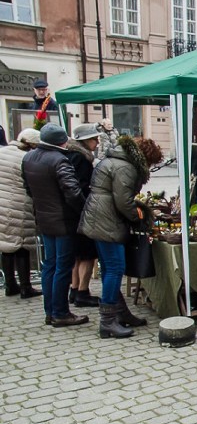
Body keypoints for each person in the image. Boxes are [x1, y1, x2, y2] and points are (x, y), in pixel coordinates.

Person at [79, 135, 160, 338]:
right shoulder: (126, 167)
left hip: (99, 218)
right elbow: (124, 201)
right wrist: (138, 217)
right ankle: (108, 321)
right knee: (115, 268)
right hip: (106, 221)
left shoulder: (115, 160)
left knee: (109, 268)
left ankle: (120, 313)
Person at [21, 123, 88, 327]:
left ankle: (50, 310)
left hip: (43, 218)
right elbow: (73, 192)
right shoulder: (60, 160)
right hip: (63, 220)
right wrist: (83, 211)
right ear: (62, 142)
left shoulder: (29, 157)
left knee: (49, 265)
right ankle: (60, 312)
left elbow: (28, 188)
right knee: (63, 266)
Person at [0, 128, 42, 299]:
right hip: (19, 204)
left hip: (1, 204)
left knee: (6, 245)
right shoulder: (26, 158)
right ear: (31, 144)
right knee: (22, 245)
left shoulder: (3, 152)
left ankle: (10, 284)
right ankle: (26, 287)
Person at [65, 124, 101, 308]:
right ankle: (82, 291)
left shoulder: (70, 156)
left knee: (77, 255)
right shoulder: (81, 158)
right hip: (81, 213)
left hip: (71, 214)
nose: (97, 142)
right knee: (87, 254)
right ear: (86, 140)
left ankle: (75, 289)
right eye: (95, 139)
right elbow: (80, 188)